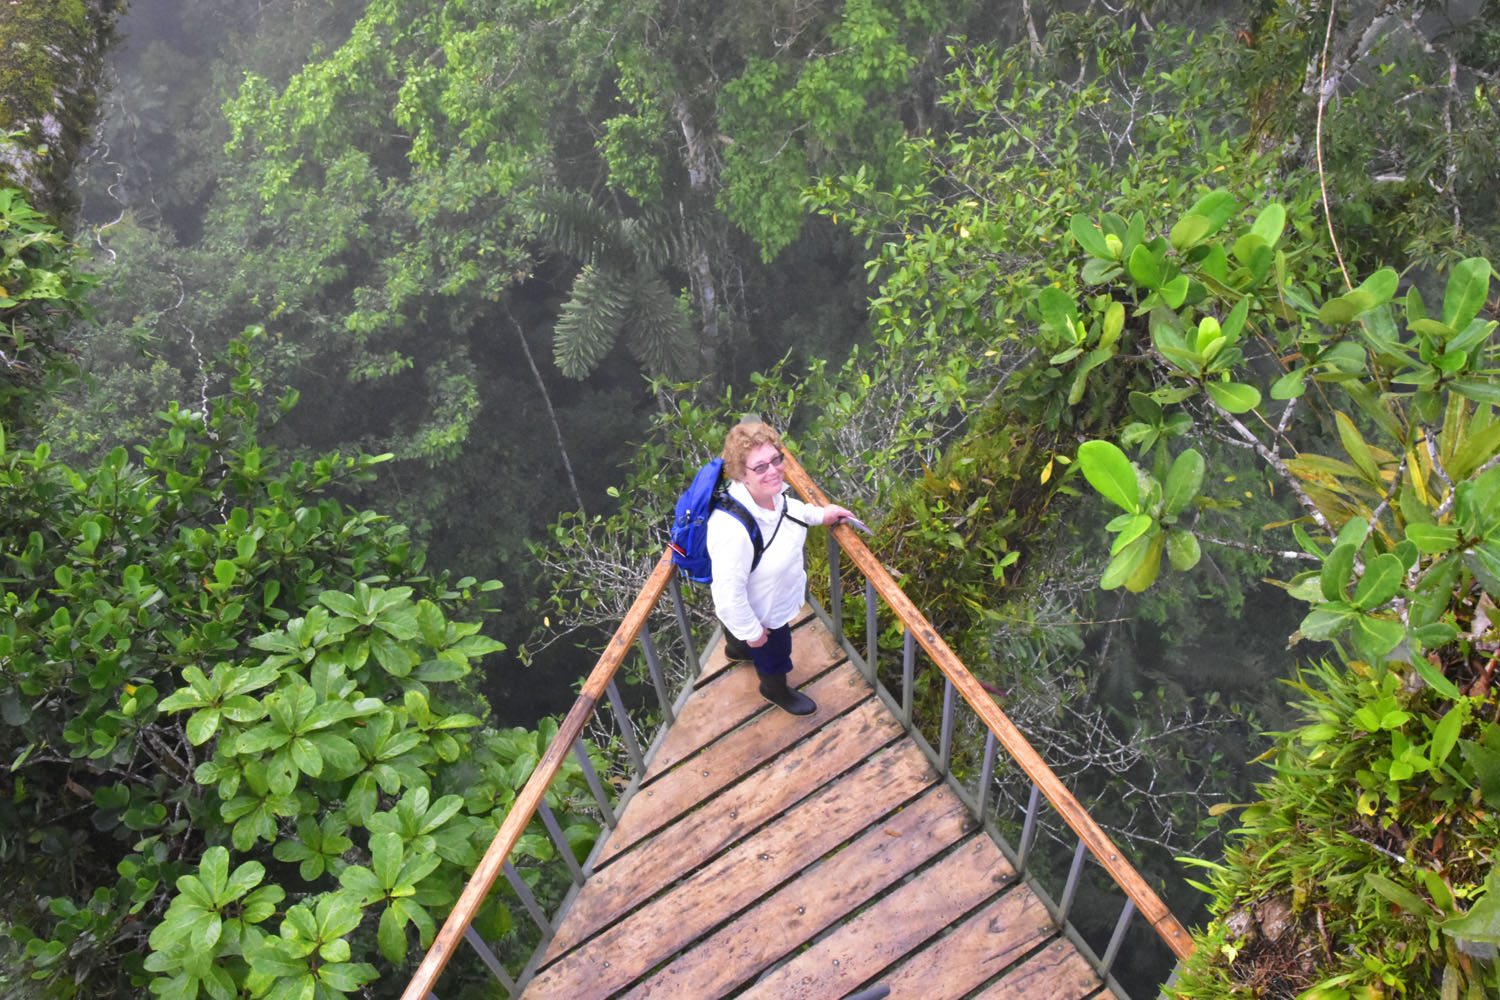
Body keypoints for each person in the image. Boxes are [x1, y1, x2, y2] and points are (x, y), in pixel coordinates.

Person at [707, 421, 854, 716]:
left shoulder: (767, 495)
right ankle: (774, 690)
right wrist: (753, 632)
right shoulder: (731, 530)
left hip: (764, 596)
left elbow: (788, 511)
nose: (773, 470)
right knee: (775, 653)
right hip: (764, 612)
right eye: (760, 467)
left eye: (776, 460)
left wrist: (821, 514)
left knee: (744, 638)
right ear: (741, 473)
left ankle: (737, 650)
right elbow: (727, 595)